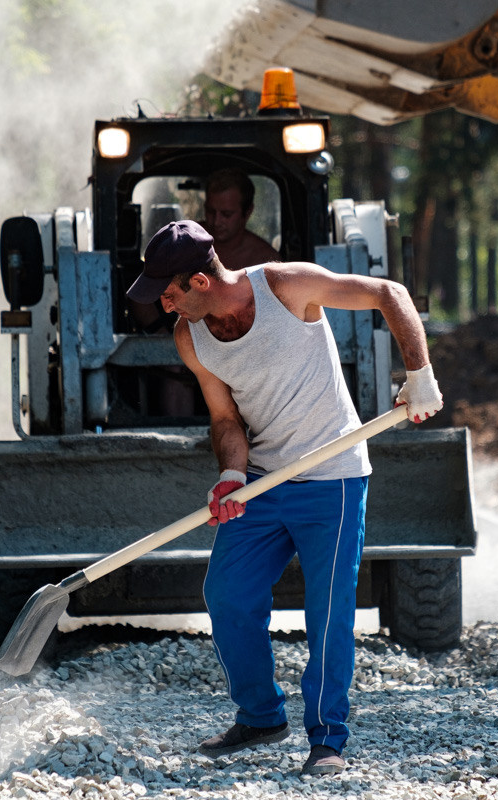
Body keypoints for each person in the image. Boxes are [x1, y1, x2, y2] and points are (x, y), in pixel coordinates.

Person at [126, 220, 442, 777]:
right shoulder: (190, 338)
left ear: (199, 280)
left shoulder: (285, 287)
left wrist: (419, 374)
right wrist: (230, 473)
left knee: (328, 611)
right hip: (265, 480)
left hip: (333, 476)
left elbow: (388, 293)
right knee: (226, 594)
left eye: (169, 292)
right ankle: (261, 715)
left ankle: (327, 740)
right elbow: (225, 418)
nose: (164, 305)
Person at [203, 168, 281, 269]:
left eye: (227, 214)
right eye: (210, 211)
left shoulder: (264, 260)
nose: (216, 222)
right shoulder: (189, 243)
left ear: (248, 212)